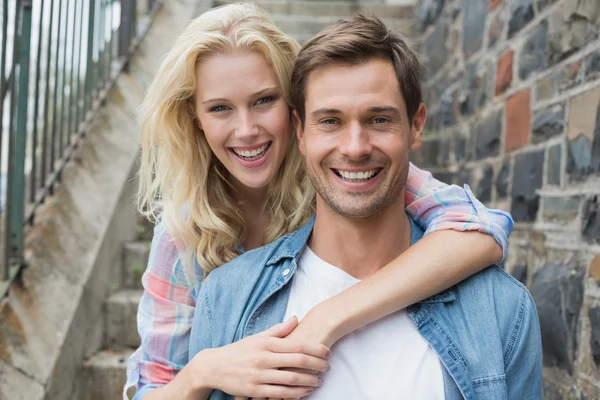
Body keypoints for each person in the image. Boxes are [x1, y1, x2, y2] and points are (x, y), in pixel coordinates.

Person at [126, 3, 514, 399]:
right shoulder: (183, 237)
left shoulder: (345, 177)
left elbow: (479, 229)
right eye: (220, 108)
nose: (247, 130)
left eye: (264, 100)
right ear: (197, 120)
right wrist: (201, 371)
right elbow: (152, 387)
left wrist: (326, 318)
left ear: (295, 111)